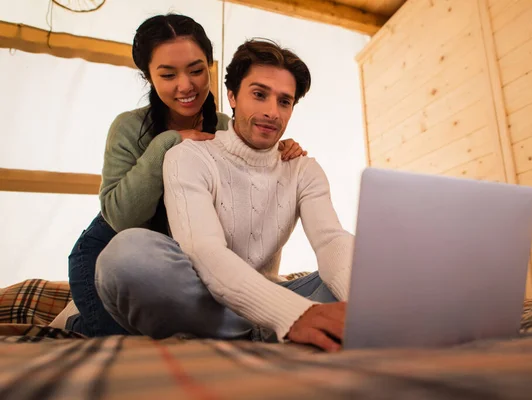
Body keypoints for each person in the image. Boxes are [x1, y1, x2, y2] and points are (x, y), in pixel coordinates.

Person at [95, 38, 353, 353]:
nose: (272, 112)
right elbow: (204, 251)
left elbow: (331, 241)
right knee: (126, 256)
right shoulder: (187, 156)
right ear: (231, 96)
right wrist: (295, 314)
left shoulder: (303, 168)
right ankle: (272, 325)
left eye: (284, 102)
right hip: (208, 298)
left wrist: (363, 305)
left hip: (274, 296)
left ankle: (256, 329)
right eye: (259, 95)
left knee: (371, 258)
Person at [57, 15, 307, 337]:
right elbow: (121, 218)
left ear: (210, 67)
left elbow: (254, 202)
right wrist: (169, 143)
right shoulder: (128, 128)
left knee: (182, 325)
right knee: (129, 338)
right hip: (107, 248)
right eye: (168, 74)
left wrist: (277, 149)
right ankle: (76, 318)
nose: (186, 85)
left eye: (196, 70)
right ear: (148, 76)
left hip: (184, 258)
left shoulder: (225, 128)